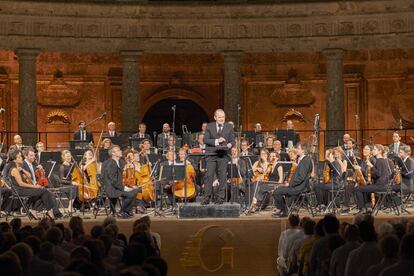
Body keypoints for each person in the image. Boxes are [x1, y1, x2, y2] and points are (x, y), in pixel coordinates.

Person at [7, 149, 55, 220]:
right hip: (19, 191)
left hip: (24, 189)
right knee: (44, 191)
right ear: (15, 160)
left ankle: (34, 210)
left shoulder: (18, 168)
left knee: (44, 191)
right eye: (19, 157)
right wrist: (35, 186)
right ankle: (49, 211)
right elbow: (21, 184)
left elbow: (29, 176)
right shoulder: (14, 170)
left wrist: (22, 170)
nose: (22, 158)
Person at [203, 109, 235, 205]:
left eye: (223, 117)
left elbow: (232, 141)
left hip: (223, 155)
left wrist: (230, 144)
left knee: (222, 177)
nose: (222, 119)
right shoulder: (209, 126)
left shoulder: (229, 127)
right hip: (211, 155)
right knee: (209, 176)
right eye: (220, 117)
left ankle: (220, 198)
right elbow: (205, 140)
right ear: (215, 117)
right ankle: (206, 198)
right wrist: (217, 141)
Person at [272, 143, 313, 217]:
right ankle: (283, 210)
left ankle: (284, 211)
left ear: (303, 150)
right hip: (297, 186)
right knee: (278, 190)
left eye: (298, 148)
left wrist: (290, 184)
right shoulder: (303, 159)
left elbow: (301, 177)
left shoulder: (306, 160)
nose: (297, 150)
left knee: (276, 192)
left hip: (299, 187)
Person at [102, 145, 140, 218]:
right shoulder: (111, 164)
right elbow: (113, 181)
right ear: (113, 153)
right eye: (118, 150)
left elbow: (123, 177)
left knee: (136, 190)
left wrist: (129, 186)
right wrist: (124, 188)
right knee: (131, 194)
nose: (121, 151)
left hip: (117, 187)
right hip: (112, 189)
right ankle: (121, 211)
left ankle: (126, 211)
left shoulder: (120, 162)